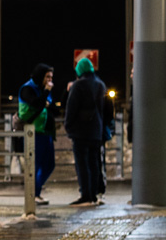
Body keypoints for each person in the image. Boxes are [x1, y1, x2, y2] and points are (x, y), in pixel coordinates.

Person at [63, 57, 111, 206]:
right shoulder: (100, 85)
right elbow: (107, 109)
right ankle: (94, 194)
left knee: (82, 164)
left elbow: (71, 109)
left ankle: (86, 195)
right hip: (96, 131)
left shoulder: (78, 85)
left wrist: (68, 126)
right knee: (94, 163)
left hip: (80, 131)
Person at [17, 63, 55, 205]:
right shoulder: (28, 88)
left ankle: (36, 190)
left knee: (49, 164)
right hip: (32, 132)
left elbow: (51, 106)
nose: (50, 80)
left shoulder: (44, 89)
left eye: (51, 77)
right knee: (36, 164)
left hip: (45, 131)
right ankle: (34, 193)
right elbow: (37, 104)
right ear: (41, 76)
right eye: (47, 77)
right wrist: (45, 92)